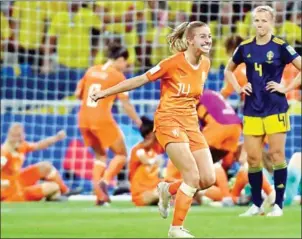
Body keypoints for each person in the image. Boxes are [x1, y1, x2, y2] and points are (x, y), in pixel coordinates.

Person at [91, 21, 215, 238]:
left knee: (207, 179)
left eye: (210, 36)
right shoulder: (172, 63)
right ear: (190, 40)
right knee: (192, 176)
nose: (208, 40)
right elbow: (139, 80)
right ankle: (176, 229)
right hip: (168, 121)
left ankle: (167, 189)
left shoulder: (205, 64)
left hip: (190, 124)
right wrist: (105, 93)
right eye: (203, 36)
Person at [224, 5, 301, 217]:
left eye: (264, 20)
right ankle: (256, 204)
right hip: (252, 109)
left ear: (272, 22)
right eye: (256, 20)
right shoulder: (245, 47)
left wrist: (286, 88)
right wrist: (239, 87)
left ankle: (278, 205)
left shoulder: (280, 46)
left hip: (275, 108)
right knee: (253, 159)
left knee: (277, 155)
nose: (260, 24)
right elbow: (227, 69)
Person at [75, 43, 142, 206]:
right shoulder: (117, 76)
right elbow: (125, 104)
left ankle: (100, 196)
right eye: (126, 62)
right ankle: (105, 181)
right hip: (101, 118)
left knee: (100, 156)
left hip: (83, 119)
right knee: (121, 154)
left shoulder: (91, 70)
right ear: (119, 59)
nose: (126, 66)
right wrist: (139, 122)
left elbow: (78, 94)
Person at [1, 123, 72, 202]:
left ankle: (65, 191)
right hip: (12, 192)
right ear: (10, 136)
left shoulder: (22, 146)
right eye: (16, 135)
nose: (20, 138)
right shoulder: (4, 153)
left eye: (20, 135)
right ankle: (49, 196)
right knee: (53, 188)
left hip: (18, 182)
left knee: (46, 167)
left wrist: (56, 138)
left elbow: (39, 145)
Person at [129, 116, 163, 206]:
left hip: (153, 187)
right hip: (141, 192)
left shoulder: (156, 148)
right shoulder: (137, 150)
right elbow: (146, 161)